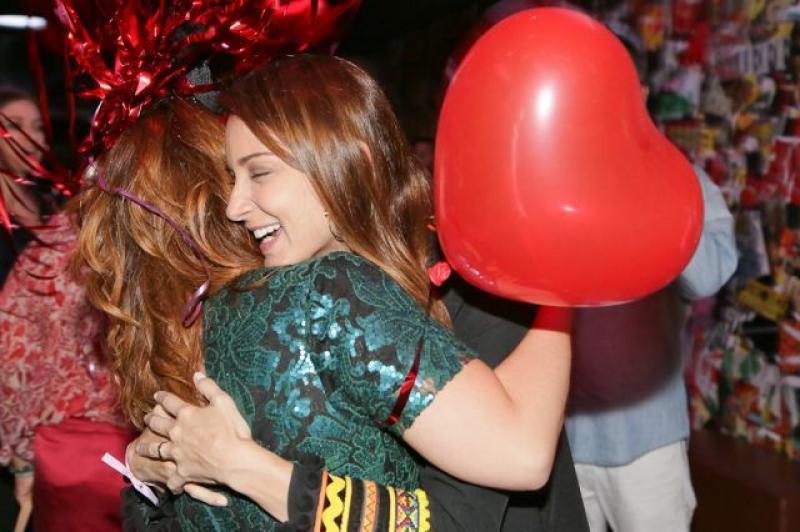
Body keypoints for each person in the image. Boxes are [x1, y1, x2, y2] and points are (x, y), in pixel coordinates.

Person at [73, 55, 574, 530]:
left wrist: (247, 469)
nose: (233, 207)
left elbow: (469, 510)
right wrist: (149, 465)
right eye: (231, 177)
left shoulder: (461, 284)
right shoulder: (259, 309)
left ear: (341, 164)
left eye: (259, 172)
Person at [565, 165, 737, 532]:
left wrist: (649, 186)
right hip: (558, 435)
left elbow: (709, 275)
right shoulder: (561, 167)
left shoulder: (679, 177)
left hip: (646, 439)